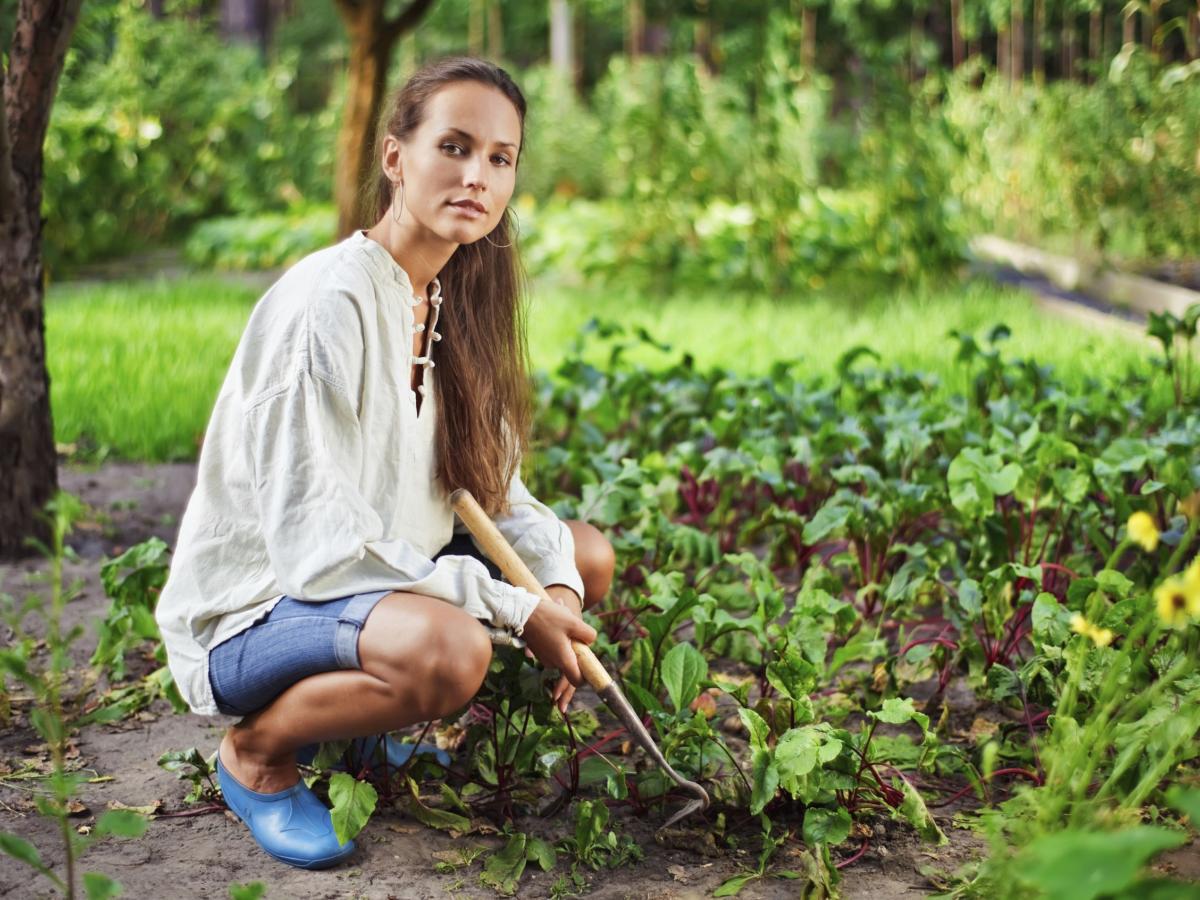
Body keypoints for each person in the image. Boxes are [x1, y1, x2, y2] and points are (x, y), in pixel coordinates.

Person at [154, 56, 611, 870]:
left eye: (500, 158)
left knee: (585, 555)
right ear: (396, 158)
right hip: (266, 607)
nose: (478, 175)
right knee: (454, 650)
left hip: (367, 589)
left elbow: (499, 491)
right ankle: (257, 756)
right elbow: (320, 549)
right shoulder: (329, 304)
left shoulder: (447, 296)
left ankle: (361, 739)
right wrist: (511, 608)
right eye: (455, 146)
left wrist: (556, 591)